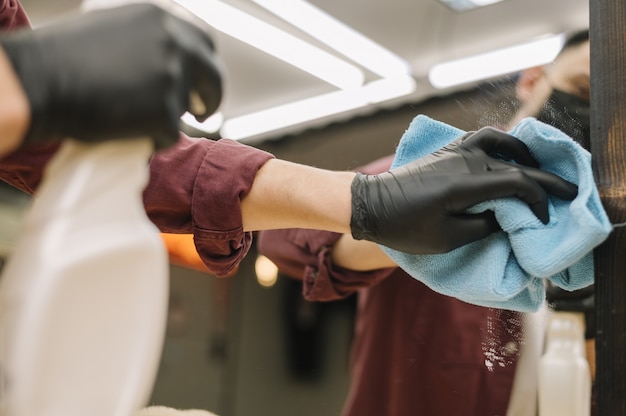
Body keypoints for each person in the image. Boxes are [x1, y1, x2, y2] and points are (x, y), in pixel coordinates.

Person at [257, 29, 591, 416]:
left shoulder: (593, 224)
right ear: (531, 79)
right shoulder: (449, 172)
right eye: (582, 90)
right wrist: (392, 226)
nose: (590, 114)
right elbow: (282, 238)